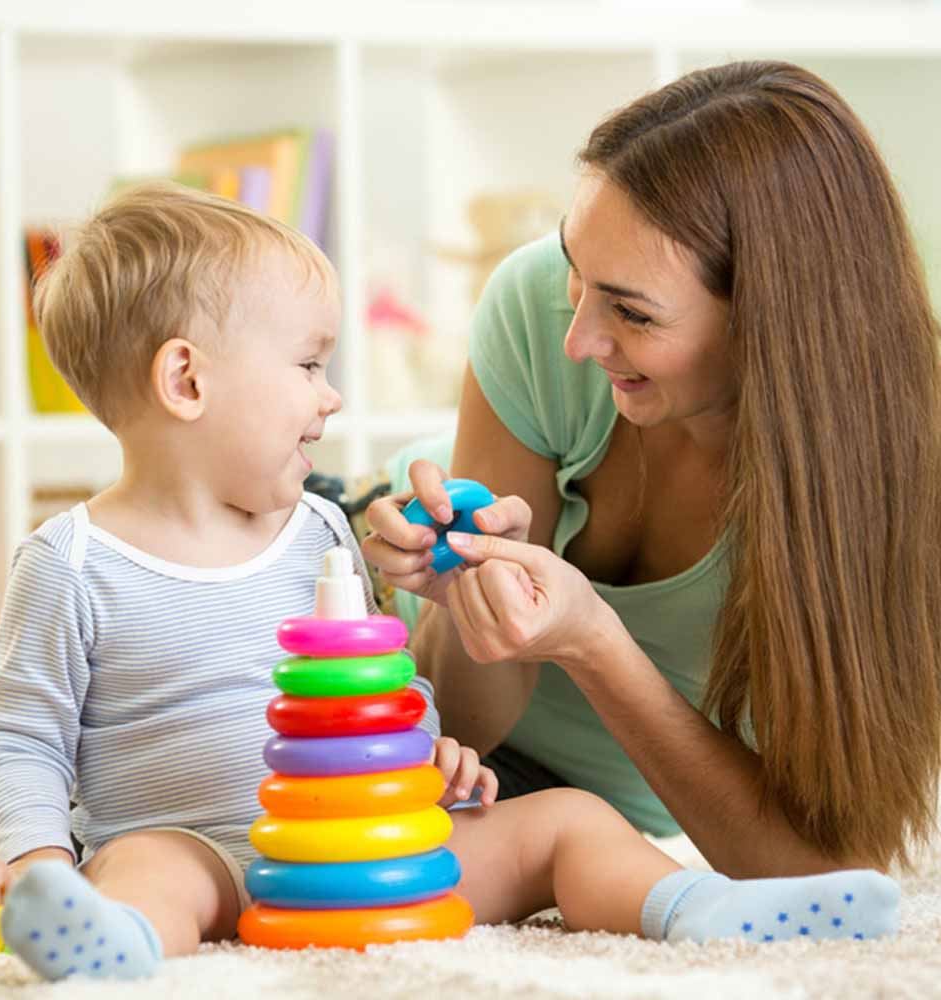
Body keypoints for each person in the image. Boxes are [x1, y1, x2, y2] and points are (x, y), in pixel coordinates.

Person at [0, 183, 899, 982]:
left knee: (567, 822)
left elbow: (376, 696)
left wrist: (426, 758)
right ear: (187, 382)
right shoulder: (72, 563)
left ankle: (705, 907)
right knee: (148, 871)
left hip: (362, 855)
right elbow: (22, 739)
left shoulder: (319, 533)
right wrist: (32, 862)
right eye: (310, 364)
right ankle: (101, 941)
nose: (331, 397)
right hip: (201, 851)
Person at [362, 59, 941, 877]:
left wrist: (593, 641)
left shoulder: (900, 471)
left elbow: (827, 869)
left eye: (632, 312)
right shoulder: (536, 307)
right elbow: (455, 723)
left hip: (607, 809)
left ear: (770, 327)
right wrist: (465, 594)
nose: (579, 339)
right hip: (412, 666)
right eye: (576, 272)